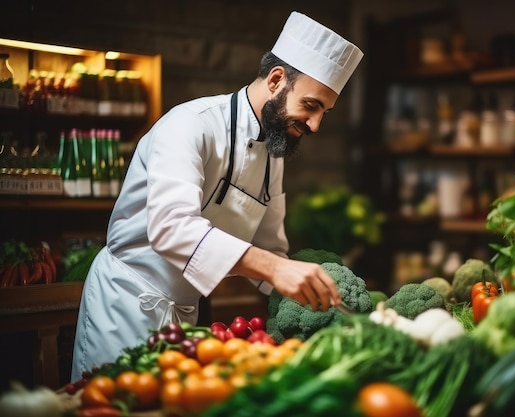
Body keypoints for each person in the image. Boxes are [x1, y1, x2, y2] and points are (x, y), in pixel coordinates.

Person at [71, 11, 364, 380]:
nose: (316, 124)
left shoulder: (275, 154)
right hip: (126, 304)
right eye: (311, 105)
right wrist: (277, 269)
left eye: (325, 112)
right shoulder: (190, 125)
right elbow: (171, 227)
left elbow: (270, 249)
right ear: (276, 80)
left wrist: (317, 295)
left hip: (186, 315)